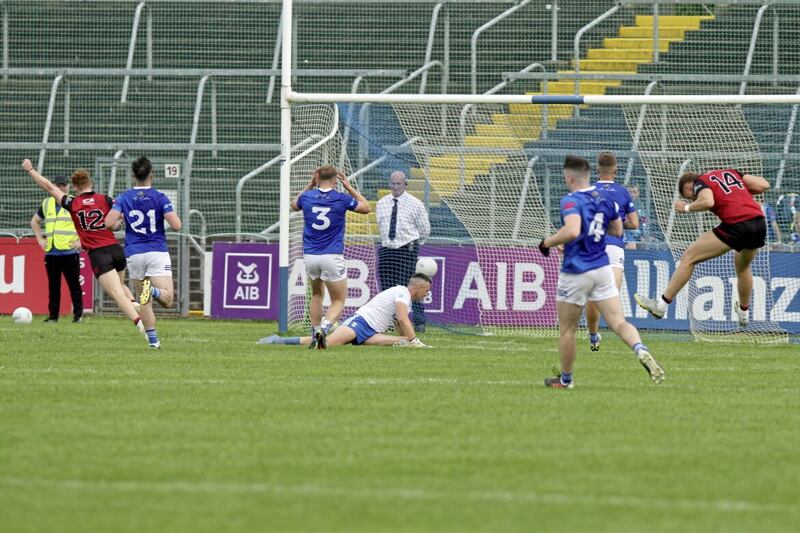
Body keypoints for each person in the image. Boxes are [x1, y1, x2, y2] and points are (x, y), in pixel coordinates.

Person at [539, 156, 664, 389]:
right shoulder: (607, 201)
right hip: (603, 265)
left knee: (567, 330)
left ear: (570, 178)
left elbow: (572, 230)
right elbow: (618, 230)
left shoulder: (571, 200)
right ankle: (640, 349)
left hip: (577, 269)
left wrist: (548, 242)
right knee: (618, 320)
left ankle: (566, 380)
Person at [23, 159, 147, 340]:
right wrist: (118, 226)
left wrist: (31, 170)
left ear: (73, 186)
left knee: (116, 294)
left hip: (98, 253)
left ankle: (141, 324)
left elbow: (50, 187)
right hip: (115, 249)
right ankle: (135, 304)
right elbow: (117, 222)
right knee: (120, 286)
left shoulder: (72, 203)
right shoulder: (105, 199)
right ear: (91, 183)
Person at [634, 168, 770, 326]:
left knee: (689, 258)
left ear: (688, 186)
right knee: (743, 268)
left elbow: (707, 202)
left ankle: (661, 306)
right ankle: (744, 313)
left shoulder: (700, 182)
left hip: (736, 224)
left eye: (690, 196)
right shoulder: (731, 172)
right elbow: (763, 185)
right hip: (759, 224)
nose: (693, 198)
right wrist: (738, 191)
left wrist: (686, 207)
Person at [105, 157, 182, 349]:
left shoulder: (123, 198)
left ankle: (154, 343)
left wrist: (119, 222)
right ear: (151, 175)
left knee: (143, 300)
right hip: (156, 251)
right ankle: (154, 290)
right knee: (167, 299)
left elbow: (108, 224)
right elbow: (177, 225)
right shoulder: (160, 197)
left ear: (133, 176)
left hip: (134, 253)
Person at [291, 165, 370, 349]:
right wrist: (349, 187)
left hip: (310, 255)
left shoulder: (307, 197)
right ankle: (323, 331)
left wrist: (310, 185)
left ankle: (314, 332)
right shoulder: (342, 198)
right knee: (338, 300)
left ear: (316, 177)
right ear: (336, 180)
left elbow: (294, 205)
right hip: (332, 255)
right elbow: (366, 208)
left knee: (317, 294)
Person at [260, 274, 432, 348]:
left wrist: (411, 339)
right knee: (321, 344)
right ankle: (279, 341)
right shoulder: (402, 292)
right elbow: (402, 319)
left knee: (405, 341)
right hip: (360, 324)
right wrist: (415, 339)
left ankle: (406, 343)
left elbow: (398, 322)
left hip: (371, 332)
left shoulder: (405, 298)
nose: (427, 294)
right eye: (427, 290)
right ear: (419, 287)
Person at [585, 152, 639, 352]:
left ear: (597, 170)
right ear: (616, 170)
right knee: (609, 295)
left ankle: (592, 335)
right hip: (614, 247)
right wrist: (616, 222)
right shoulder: (623, 192)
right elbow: (633, 223)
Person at [376, 171, 431, 333]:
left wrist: (413, 243)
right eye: (392, 183)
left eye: (398, 183)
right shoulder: (382, 203)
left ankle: (419, 322)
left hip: (406, 249)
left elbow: (424, 229)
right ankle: (389, 321)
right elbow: (381, 226)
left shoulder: (415, 203)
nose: (395, 187)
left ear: (405, 184)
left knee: (410, 287)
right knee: (387, 288)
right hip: (387, 250)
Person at [30, 174, 84, 323]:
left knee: (74, 286)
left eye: (64, 185)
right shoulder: (47, 203)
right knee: (53, 287)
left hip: (69, 251)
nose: (61, 188)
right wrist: (40, 239)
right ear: (53, 186)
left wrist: (81, 241)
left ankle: (78, 316)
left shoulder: (74, 202)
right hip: (52, 252)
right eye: (58, 185)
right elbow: (35, 221)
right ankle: (53, 317)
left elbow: (86, 224)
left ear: (68, 186)